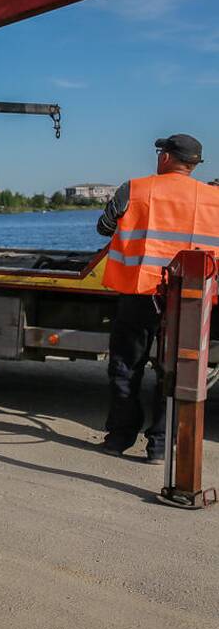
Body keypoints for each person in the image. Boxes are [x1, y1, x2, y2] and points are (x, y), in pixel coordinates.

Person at [97, 134, 212, 464]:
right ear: (193, 165)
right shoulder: (213, 199)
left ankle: (119, 438)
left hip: (140, 292)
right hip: (189, 298)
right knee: (173, 370)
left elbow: (105, 227)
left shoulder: (134, 189)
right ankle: (159, 447)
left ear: (165, 158)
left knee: (125, 366)